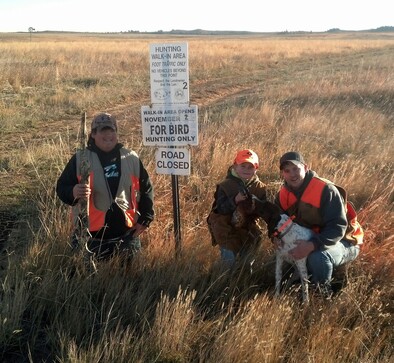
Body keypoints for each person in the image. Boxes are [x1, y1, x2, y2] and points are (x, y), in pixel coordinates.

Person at [56, 112, 154, 261]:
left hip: (127, 236)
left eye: (112, 130)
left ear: (116, 132)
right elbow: (62, 187)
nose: (108, 135)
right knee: (87, 281)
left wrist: (146, 218)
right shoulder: (80, 159)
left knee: (130, 281)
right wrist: (73, 191)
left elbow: (146, 188)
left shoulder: (131, 158)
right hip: (89, 238)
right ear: (93, 134)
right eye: (103, 131)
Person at [274, 151, 361, 296]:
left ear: (306, 167)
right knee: (282, 255)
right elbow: (276, 222)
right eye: (287, 171)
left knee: (318, 256)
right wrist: (274, 236)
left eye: (296, 168)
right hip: (312, 237)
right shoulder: (283, 195)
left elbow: (338, 228)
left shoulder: (325, 189)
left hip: (345, 241)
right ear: (283, 174)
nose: (292, 174)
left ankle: (322, 295)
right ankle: (300, 284)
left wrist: (310, 246)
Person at [207, 149, 267, 268]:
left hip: (249, 228)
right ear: (235, 166)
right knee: (229, 262)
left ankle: (243, 281)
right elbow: (220, 209)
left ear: (256, 168)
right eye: (243, 166)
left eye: (250, 167)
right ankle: (226, 282)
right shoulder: (225, 185)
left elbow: (265, 212)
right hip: (225, 227)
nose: (246, 169)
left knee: (248, 263)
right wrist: (235, 200)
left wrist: (257, 207)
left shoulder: (260, 188)